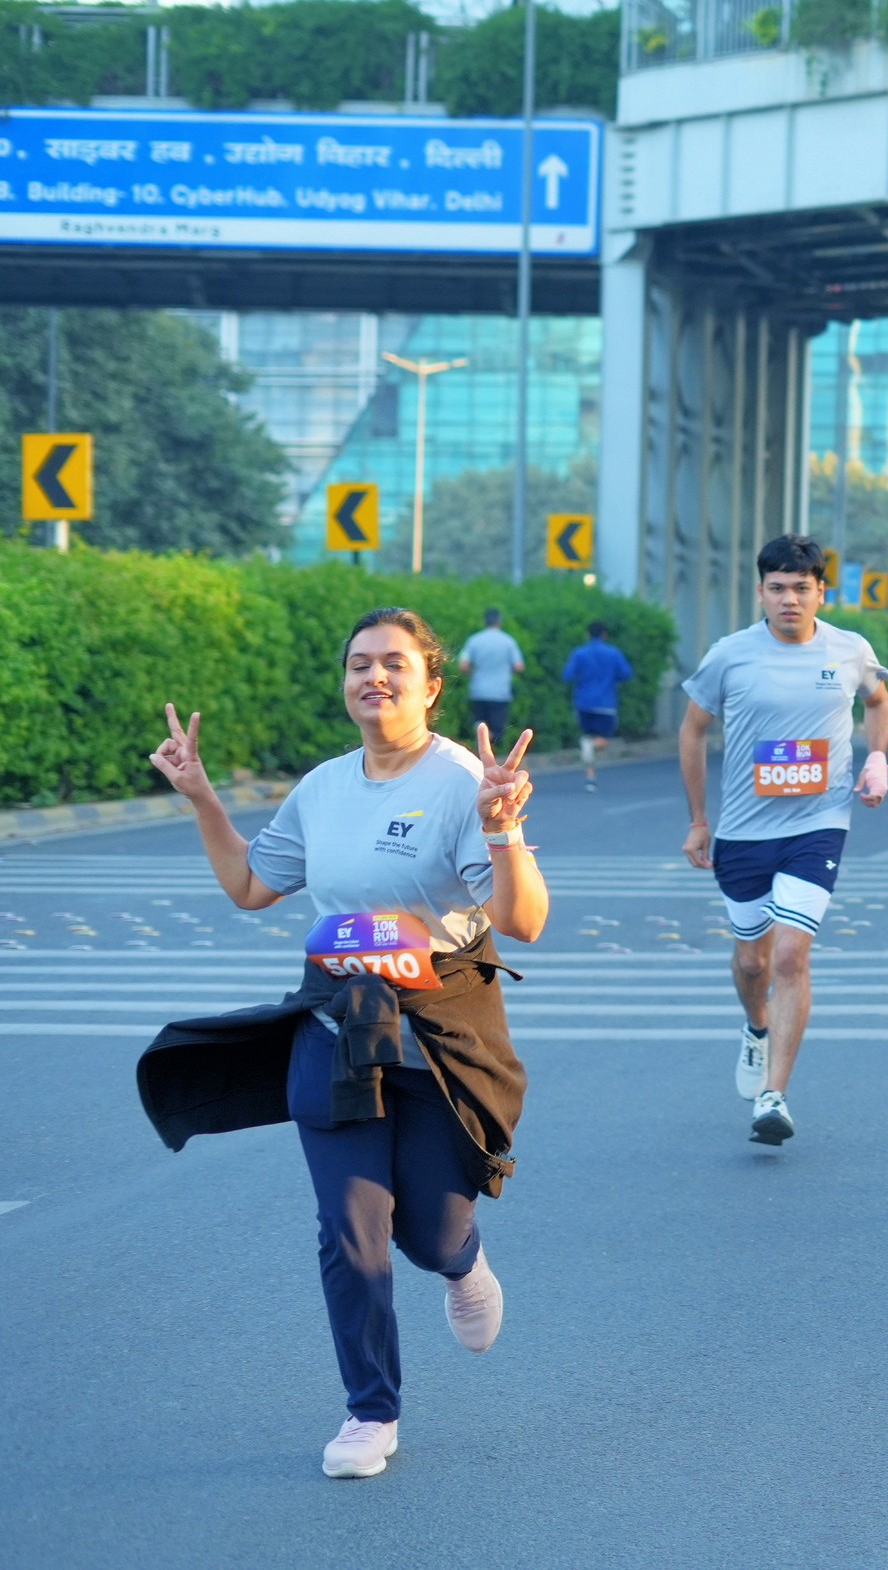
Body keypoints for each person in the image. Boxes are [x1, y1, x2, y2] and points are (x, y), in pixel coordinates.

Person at [137, 610, 546, 1478]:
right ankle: (370, 1410)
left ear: (432, 686)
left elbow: (524, 919)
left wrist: (503, 826)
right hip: (339, 1023)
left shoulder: (462, 781)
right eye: (360, 663)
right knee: (349, 1227)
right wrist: (202, 795)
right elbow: (252, 884)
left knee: (428, 1231)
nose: (375, 677)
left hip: (439, 1031)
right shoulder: (322, 787)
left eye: (395, 663)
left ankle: (462, 1261)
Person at [679, 535, 888, 1145]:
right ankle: (757, 1027)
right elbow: (693, 731)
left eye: (802, 588)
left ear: (821, 592)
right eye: (777, 588)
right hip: (744, 831)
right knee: (753, 961)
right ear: (761, 593)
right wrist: (699, 819)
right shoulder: (730, 655)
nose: (790, 600)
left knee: (791, 956)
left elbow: (879, 701)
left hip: (818, 826)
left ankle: (773, 1095)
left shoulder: (849, 650)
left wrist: (877, 758)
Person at [560, 620, 636, 789]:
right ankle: (592, 754)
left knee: (588, 739)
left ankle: (590, 778)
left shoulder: (579, 653)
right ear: (604, 634)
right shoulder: (613, 653)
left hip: (583, 702)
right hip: (605, 703)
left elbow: (567, 675)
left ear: (588, 634)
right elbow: (626, 674)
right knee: (602, 740)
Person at [456, 607, 523, 743]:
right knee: (497, 731)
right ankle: (490, 746)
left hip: (478, 690)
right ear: (500, 621)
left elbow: (463, 665)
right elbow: (519, 666)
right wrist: (506, 672)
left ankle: (481, 743)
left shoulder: (474, 640)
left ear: (484, 621)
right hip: (500, 692)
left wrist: (473, 673)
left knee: (480, 724)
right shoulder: (508, 641)